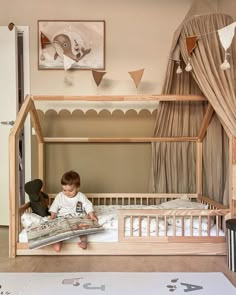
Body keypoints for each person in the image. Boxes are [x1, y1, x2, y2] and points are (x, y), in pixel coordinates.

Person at [49, 170, 98, 252]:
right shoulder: (60, 196)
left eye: (70, 191)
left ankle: (83, 242)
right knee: (59, 229)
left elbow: (88, 205)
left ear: (77, 187)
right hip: (63, 217)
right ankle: (58, 242)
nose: (67, 193)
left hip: (77, 217)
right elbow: (54, 206)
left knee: (83, 228)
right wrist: (52, 216)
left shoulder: (81, 196)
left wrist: (91, 215)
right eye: (64, 190)